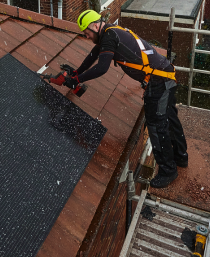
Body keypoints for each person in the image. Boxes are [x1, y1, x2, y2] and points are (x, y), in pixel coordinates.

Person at [67, 10, 188, 188]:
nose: (86, 36)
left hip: (158, 83)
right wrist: (77, 72)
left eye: (87, 32)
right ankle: (180, 157)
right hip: (165, 75)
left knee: (156, 126)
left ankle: (168, 171)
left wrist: (76, 80)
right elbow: (93, 55)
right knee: (170, 118)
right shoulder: (111, 31)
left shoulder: (109, 36)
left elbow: (101, 68)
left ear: (95, 25)